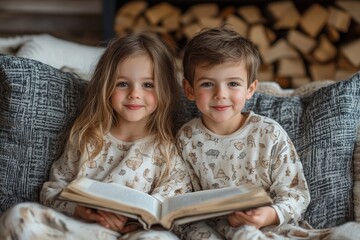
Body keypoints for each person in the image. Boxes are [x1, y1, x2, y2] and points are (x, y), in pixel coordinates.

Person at [0, 32, 192, 240]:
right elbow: (51, 191)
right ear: (106, 86)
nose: (134, 94)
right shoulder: (86, 138)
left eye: (148, 85)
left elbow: (173, 208)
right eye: (122, 83)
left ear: (165, 90)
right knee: (18, 215)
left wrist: (135, 222)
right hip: (82, 230)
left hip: (130, 235)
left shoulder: (167, 150)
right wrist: (80, 210)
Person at [176, 27, 313, 239]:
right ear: (189, 89)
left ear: (250, 89)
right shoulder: (186, 139)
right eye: (207, 84)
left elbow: (296, 194)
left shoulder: (269, 134)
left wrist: (267, 215)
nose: (220, 94)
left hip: (272, 229)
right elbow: (182, 202)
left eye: (233, 84)